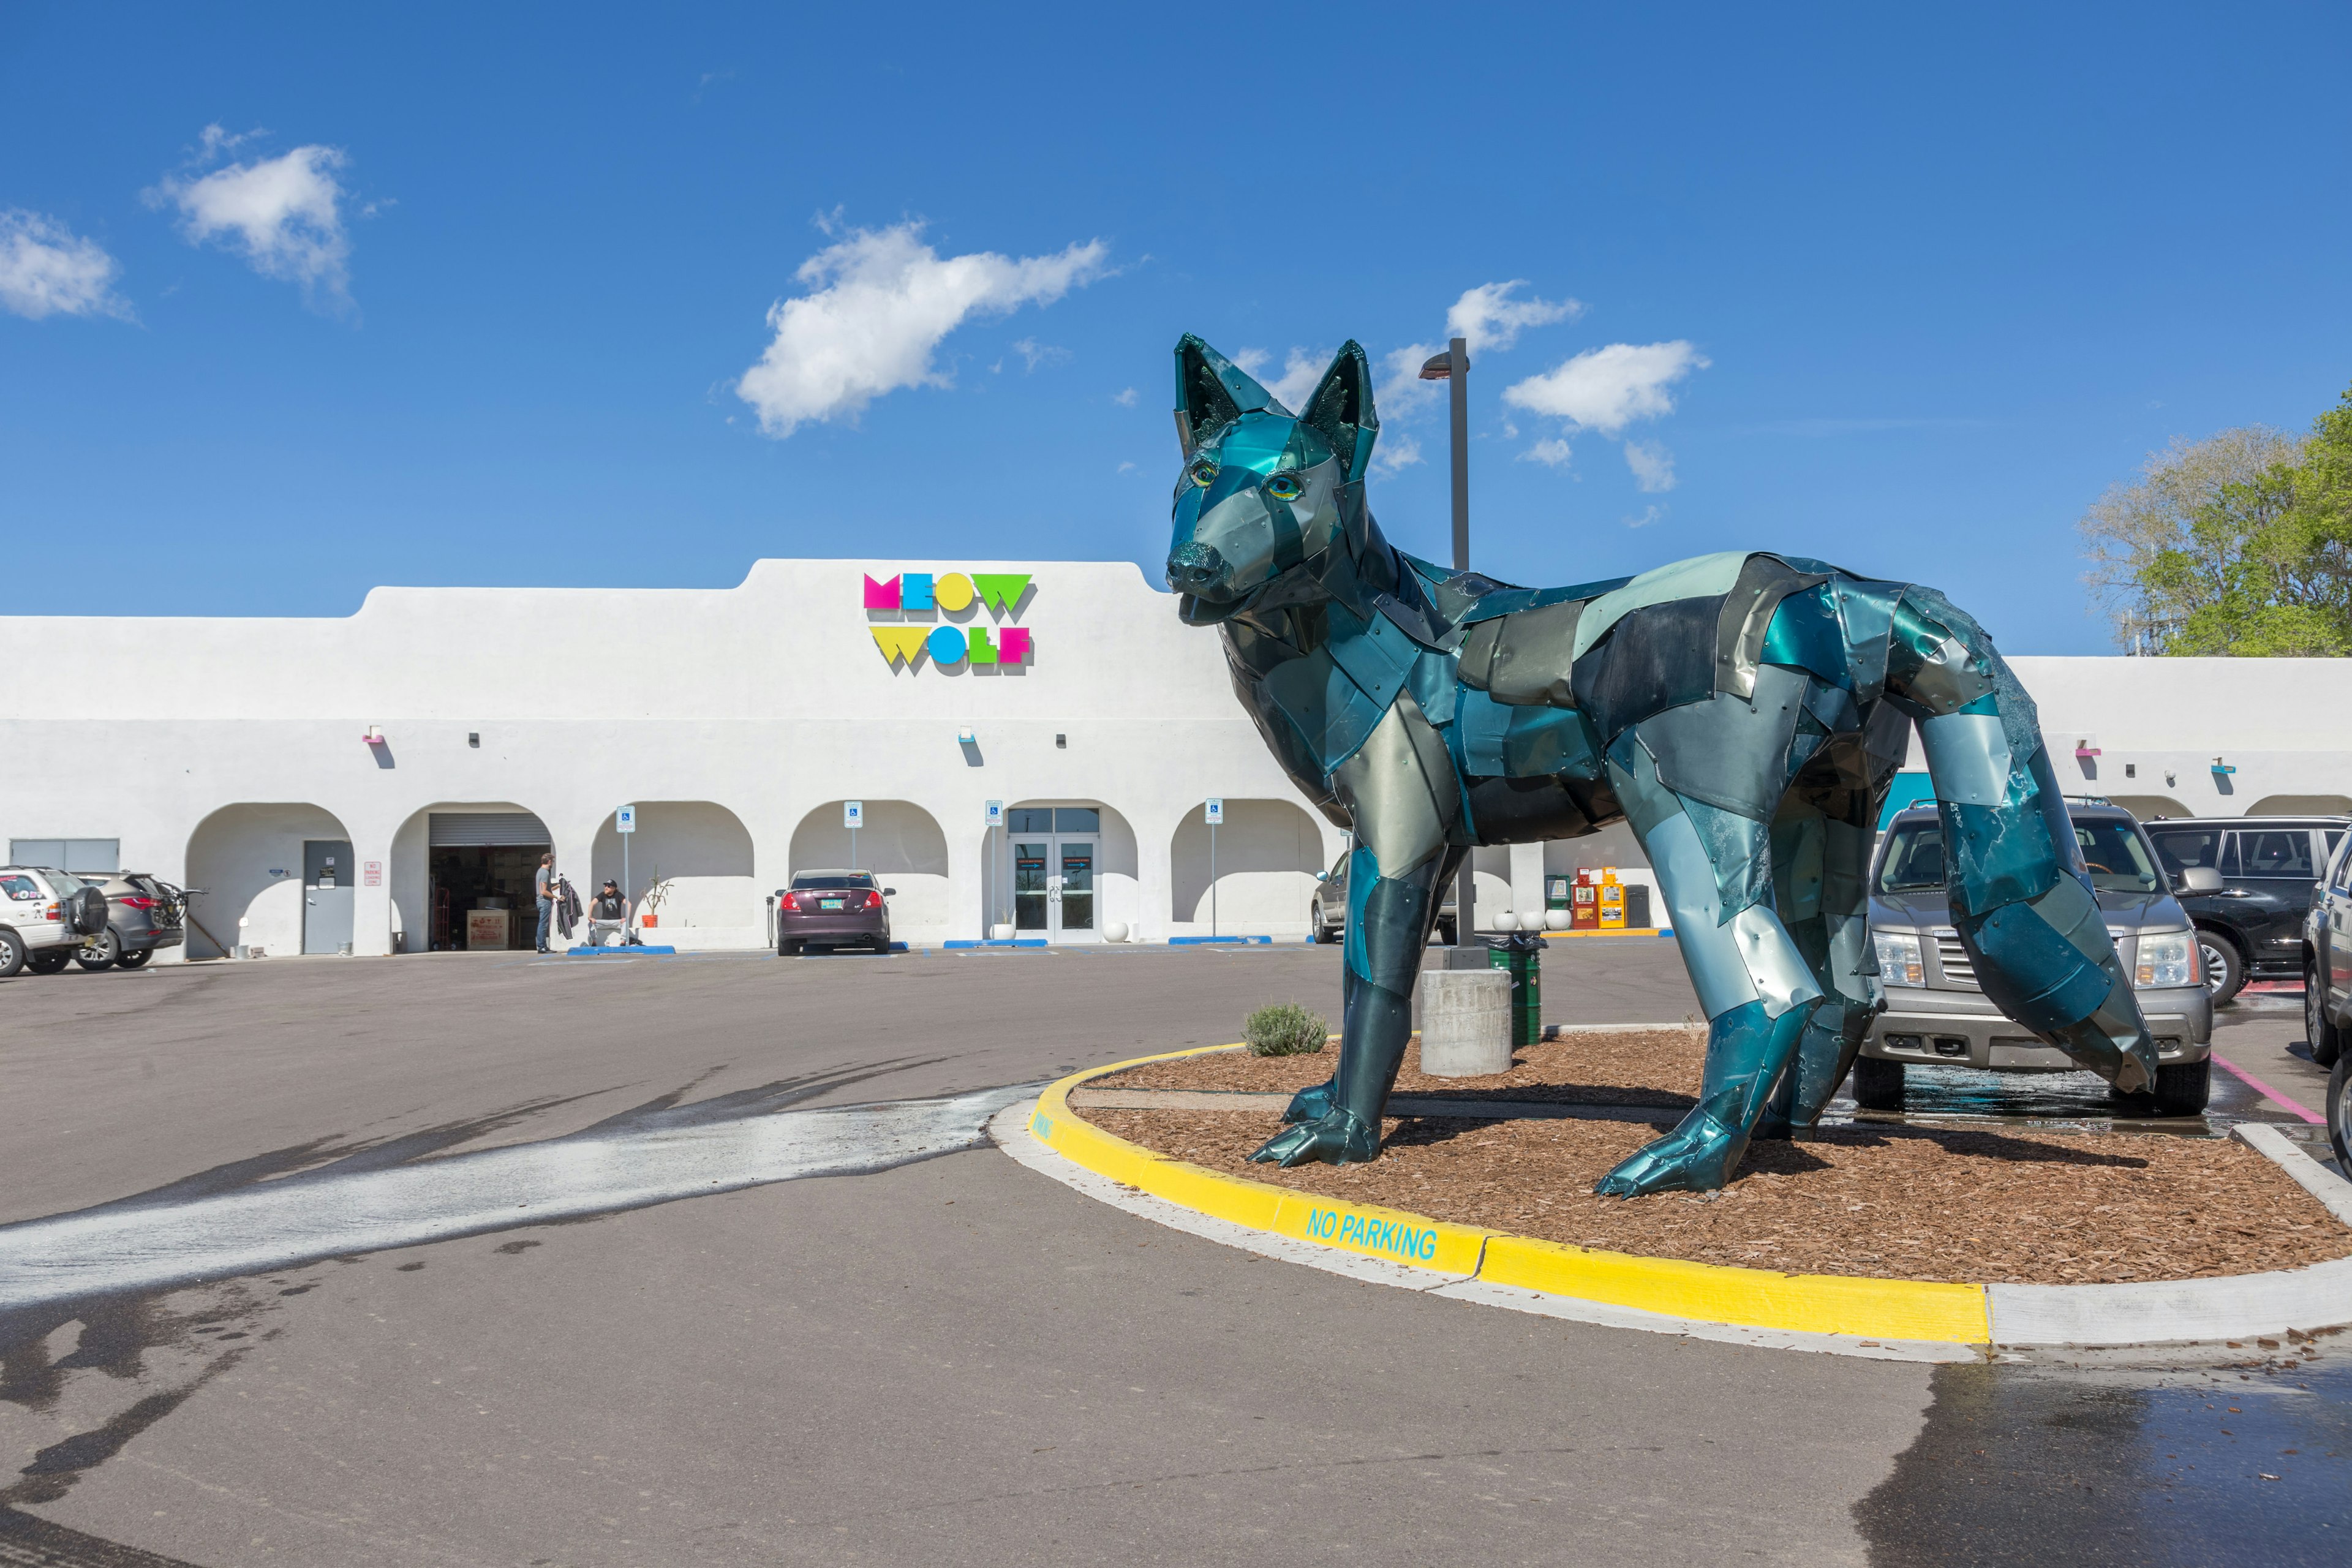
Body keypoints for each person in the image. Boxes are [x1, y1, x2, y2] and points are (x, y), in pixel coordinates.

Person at [586, 878, 628, 948]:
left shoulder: (618, 895)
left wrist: (627, 917)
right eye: (605, 886)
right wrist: (590, 917)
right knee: (591, 923)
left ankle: (623, 942)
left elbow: (628, 904)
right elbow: (592, 904)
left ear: (614, 888)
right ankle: (593, 942)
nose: (606, 888)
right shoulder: (602, 895)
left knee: (626, 923)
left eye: (609, 886)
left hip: (616, 922)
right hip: (604, 922)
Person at [533, 852, 557, 953]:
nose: (553, 864)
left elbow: (547, 888)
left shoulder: (540, 871)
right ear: (549, 861)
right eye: (553, 861)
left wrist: (558, 886)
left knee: (544, 924)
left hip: (542, 901)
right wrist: (557, 897)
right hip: (544, 901)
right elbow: (544, 891)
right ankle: (542, 947)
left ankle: (543, 946)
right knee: (543, 924)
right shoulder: (544, 872)